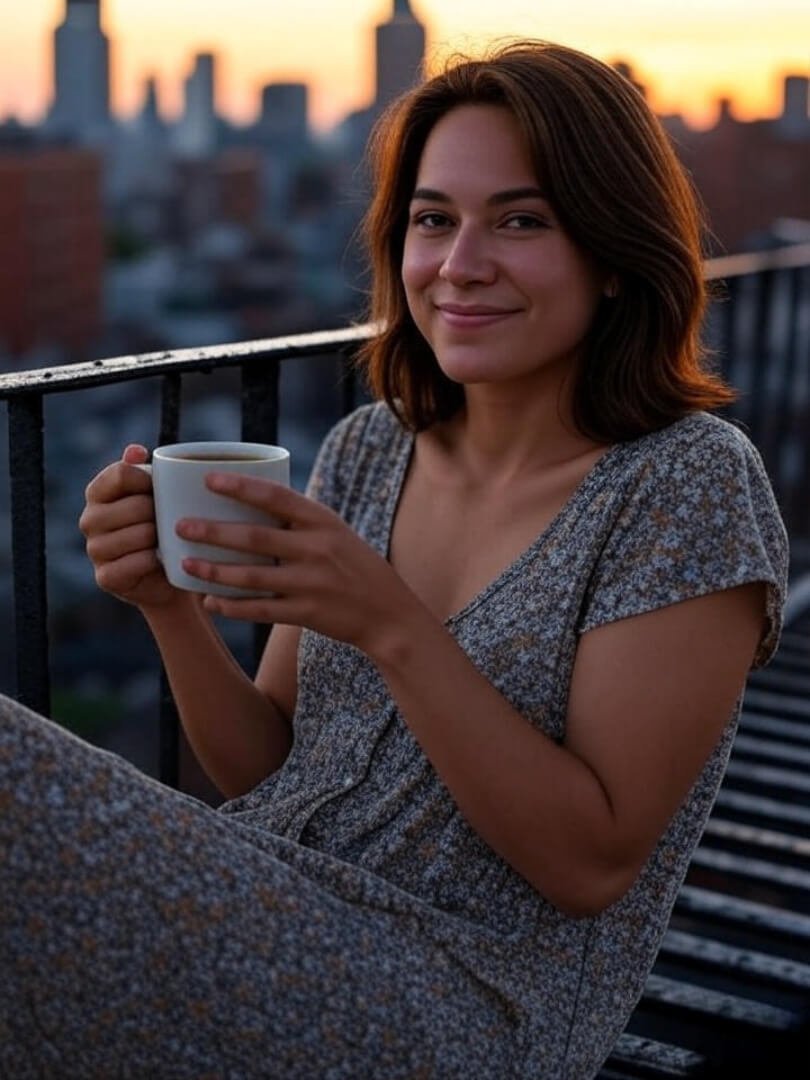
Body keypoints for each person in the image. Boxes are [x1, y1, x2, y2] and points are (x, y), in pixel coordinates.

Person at [0, 40, 788, 1080]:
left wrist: (392, 625)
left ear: (612, 254)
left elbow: (591, 863)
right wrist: (169, 609)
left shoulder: (684, 486)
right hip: (278, 908)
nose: (459, 264)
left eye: (521, 220)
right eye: (432, 219)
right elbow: (271, 769)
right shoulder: (372, 448)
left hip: (470, 1009)